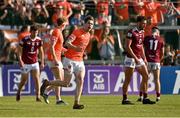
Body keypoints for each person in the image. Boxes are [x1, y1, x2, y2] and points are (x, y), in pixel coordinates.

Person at [41, 15, 94, 109]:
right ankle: (47, 83)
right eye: (88, 23)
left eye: (92, 24)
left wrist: (83, 53)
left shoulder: (89, 35)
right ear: (84, 24)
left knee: (81, 80)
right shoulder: (77, 31)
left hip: (80, 61)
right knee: (65, 83)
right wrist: (75, 48)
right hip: (69, 60)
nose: (90, 25)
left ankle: (76, 103)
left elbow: (80, 48)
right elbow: (67, 43)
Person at [122, 16, 155, 105]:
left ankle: (145, 98)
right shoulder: (131, 32)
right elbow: (127, 47)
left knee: (146, 76)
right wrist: (135, 58)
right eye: (143, 23)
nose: (144, 25)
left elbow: (141, 47)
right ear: (138, 23)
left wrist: (144, 58)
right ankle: (125, 99)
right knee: (128, 79)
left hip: (139, 57)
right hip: (130, 58)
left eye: (145, 23)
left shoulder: (142, 32)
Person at [41, 17, 68, 105]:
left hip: (57, 57)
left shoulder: (59, 32)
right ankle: (58, 100)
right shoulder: (56, 31)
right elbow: (52, 46)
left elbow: (58, 47)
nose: (66, 26)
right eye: (66, 24)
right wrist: (55, 59)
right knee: (60, 80)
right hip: (53, 58)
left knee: (61, 80)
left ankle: (46, 92)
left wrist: (68, 51)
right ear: (63, 24)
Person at [16, 25, 44, 102]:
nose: (36, 33)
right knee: (24, 80)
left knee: (37, 78)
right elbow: (19, 50)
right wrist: (20, 60)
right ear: (30, 32)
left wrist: (42, 62)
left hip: (35, 62)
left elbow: (41, 51)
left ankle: (38, 96)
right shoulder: (25, 39)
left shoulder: (39, 40)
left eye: (37, 32)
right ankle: (18, 92)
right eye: (34, 32)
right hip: (25, 63)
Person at [138, 27, 164, 102]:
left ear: (151, 31)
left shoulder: (147, 38)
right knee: (157, 80)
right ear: (157, 33)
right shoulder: (161, 39)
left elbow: (142, 47)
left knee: (144, 79)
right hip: (156, 61)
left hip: (148, 61)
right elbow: (162, 52)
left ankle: (140, 96)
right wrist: (160, 59)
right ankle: (158, 97)